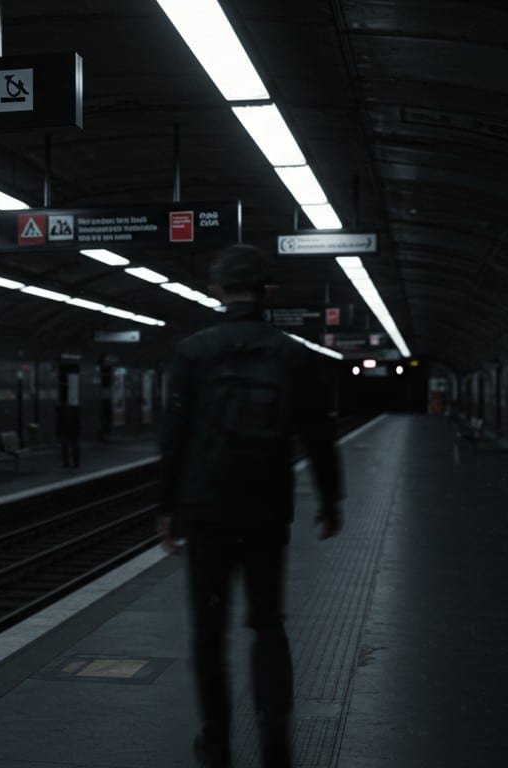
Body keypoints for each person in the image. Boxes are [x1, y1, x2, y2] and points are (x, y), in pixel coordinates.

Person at [158, 244, 343, 768]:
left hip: (206, 509)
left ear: (216, 290)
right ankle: (275, 742)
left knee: (208, 632)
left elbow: (174, 435)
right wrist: (330, 500)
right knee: (267, 624)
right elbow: (319, 433)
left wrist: (167, 506)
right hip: (266, 508)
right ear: (269, 292)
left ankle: (216, 742)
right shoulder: (293, 354)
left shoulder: (193, 352)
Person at [57, 400, 82, 468]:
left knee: (66, 447)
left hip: (66, 430)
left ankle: (67, 463)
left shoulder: (61, 410)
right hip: (72, 430)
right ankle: (75, 463)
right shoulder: (74, 410)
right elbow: (78, 421)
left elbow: (59, 422)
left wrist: (58, 432)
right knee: (73, 446)